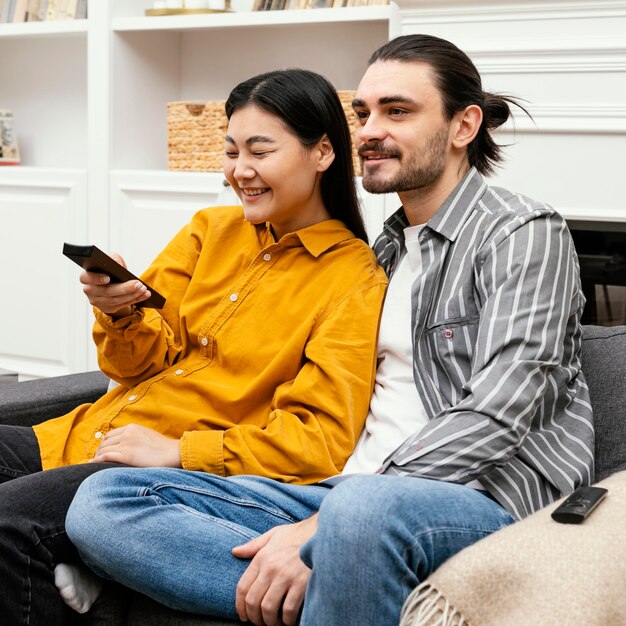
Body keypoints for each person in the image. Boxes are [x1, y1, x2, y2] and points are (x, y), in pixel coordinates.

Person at [66, 33, 594, 626]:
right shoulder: (387, 249)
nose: (368, 131)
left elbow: (499, 410)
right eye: (363, 113)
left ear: (463, 126)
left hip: (481, 500)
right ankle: (341, 589)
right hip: (340, 489)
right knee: (105, 501)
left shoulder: (520, 231)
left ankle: (335, 565)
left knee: (362, 514)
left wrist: (320, 530)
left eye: (398, 111)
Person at [0, 68, 387, 625]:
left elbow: (319, 441)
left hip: (148, 475)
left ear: (322, 152)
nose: (240, 171)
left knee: (10, 524)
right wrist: (121, 313)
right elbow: (133, 367)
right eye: (231, 151)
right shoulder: (210, 229)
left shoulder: (354, 281)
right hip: (81, 435)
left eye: (260, 150)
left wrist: (179, 453)